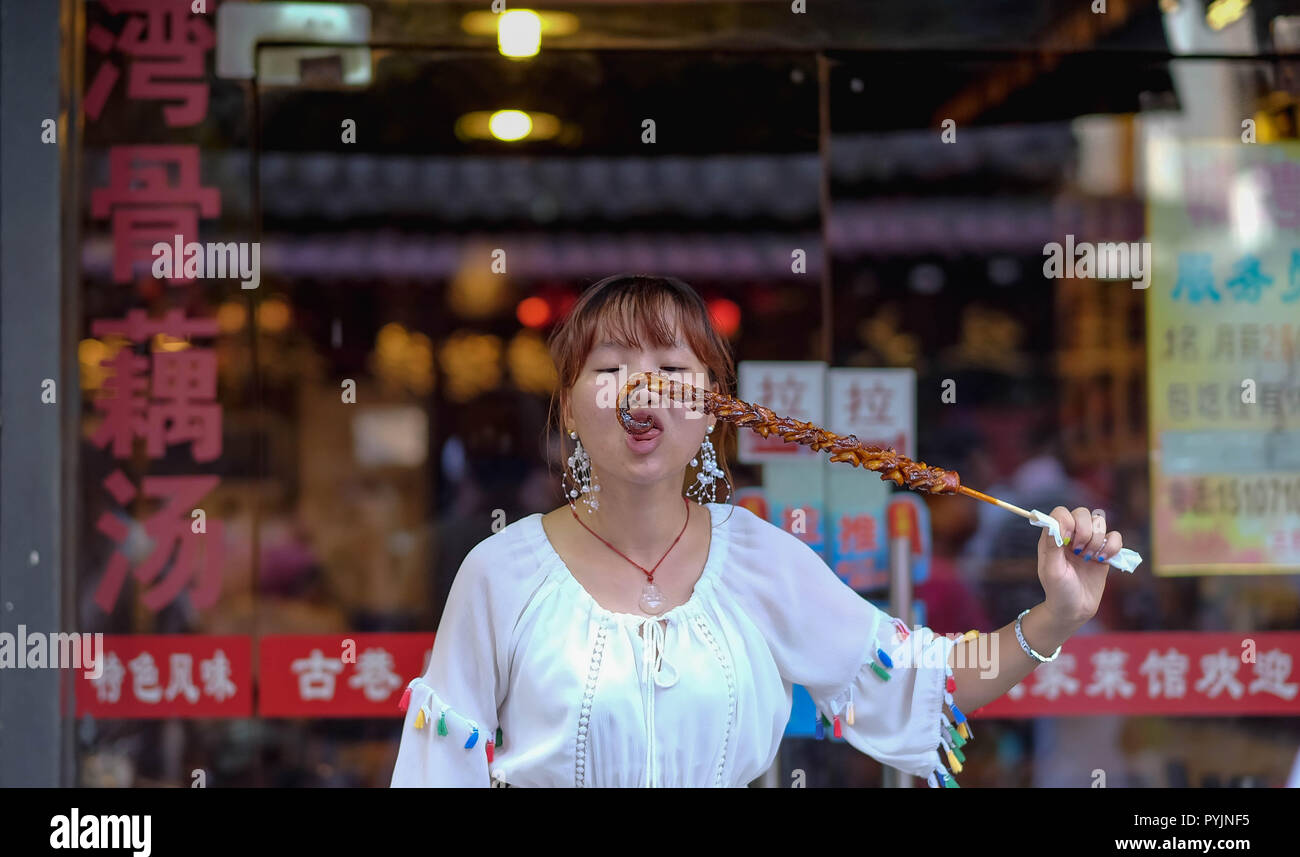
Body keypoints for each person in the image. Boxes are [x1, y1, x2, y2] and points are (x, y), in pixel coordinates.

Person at [390, 274, 1125, 788]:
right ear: (571, 409)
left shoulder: (759, 558)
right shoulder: (500, 574)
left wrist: (1057, 616)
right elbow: (436, 772)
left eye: (672, 367)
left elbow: (916, 683)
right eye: (610, 368)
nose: (643, 388)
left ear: (712, 411)